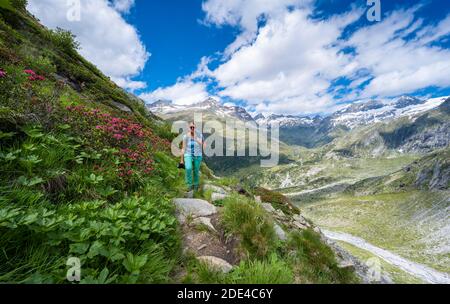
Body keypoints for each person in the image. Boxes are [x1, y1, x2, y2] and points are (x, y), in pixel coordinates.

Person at [181, 122, 206, 193]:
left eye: (193, 127)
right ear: (188, 128)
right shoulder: (185, 136)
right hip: (188, 154)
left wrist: (196, 139)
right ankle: (188, 185)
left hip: (198, 155)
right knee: (188, 168)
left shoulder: (200, 135)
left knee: (196, 170)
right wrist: (181, 160)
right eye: (190, 127)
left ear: (195, 128)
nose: (192, 128)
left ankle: (195, 186)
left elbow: (204, 146)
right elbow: (183, 148)